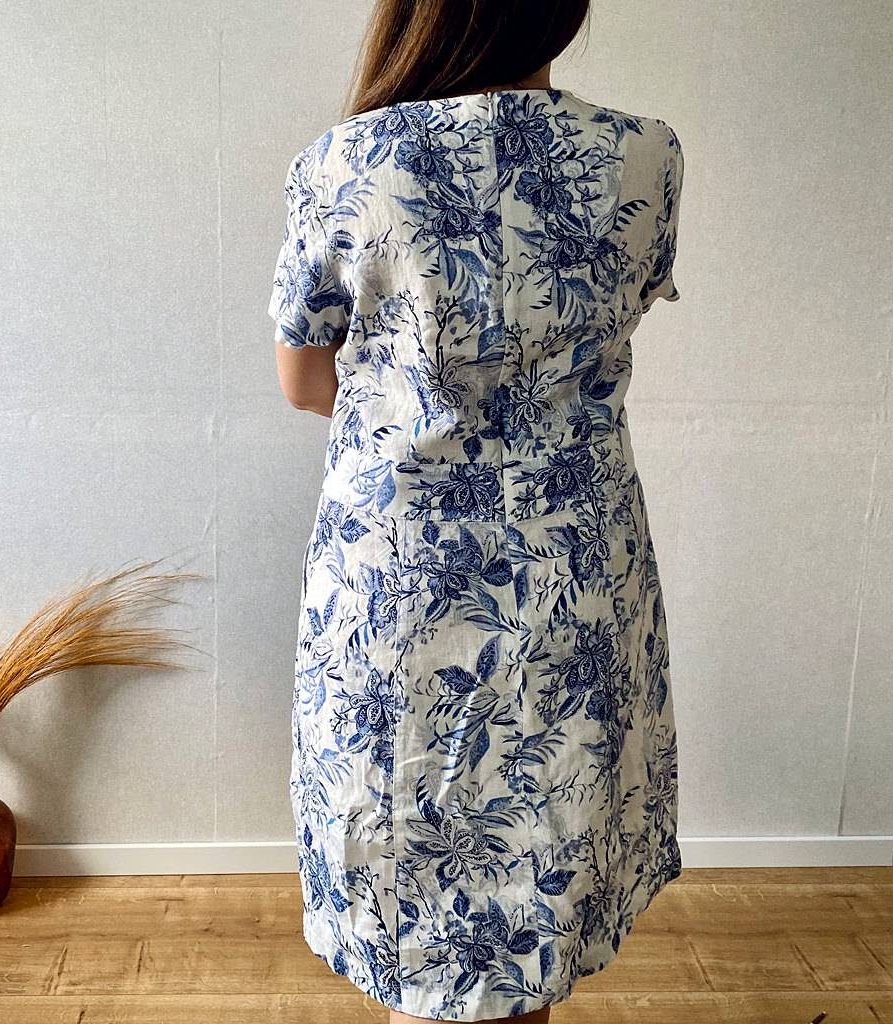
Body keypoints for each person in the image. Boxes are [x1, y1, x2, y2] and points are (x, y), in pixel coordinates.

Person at [266, 2, 685, 1021]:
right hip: (574, 572)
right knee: (544, 851)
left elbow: (305, 382)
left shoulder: (348, 162)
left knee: (410, 865)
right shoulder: (644, 155)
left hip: (402, 580)